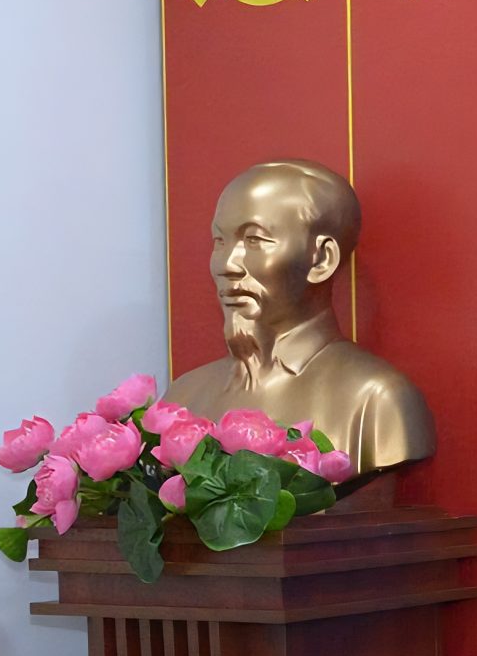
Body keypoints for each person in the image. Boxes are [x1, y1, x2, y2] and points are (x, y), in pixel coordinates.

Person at [169, 159, 435, 475]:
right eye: (220, 241)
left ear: (321, 259)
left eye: (254, 240)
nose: (227, 265)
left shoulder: (376, 400)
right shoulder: (183, 397)